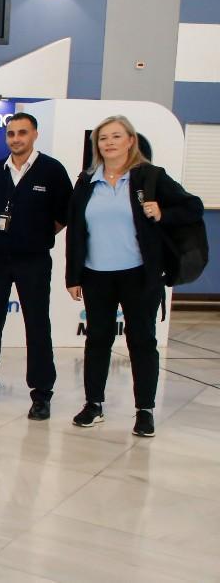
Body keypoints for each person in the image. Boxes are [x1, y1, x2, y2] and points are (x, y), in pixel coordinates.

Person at [66, 115, 202, 437]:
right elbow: (75, 232)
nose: (108, 143)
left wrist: (163, 213)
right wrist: (73, 276)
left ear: (130, 141)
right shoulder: (86, 181)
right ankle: (94, 405)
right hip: (96, 275)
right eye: (102, 138)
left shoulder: (150, 177)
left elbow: (193, 208)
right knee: (97, 340)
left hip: (139, 275)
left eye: (116, 136)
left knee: (141, 342)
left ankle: (145, 410)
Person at [0, 113, 72, 419]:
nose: (16, 139)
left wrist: (37, 236)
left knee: (37, 325)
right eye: (11, 133)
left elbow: (65, 214)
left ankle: (41, 393)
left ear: (34, 134)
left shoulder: (51, 170)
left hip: (33, 260)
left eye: (22, 132)